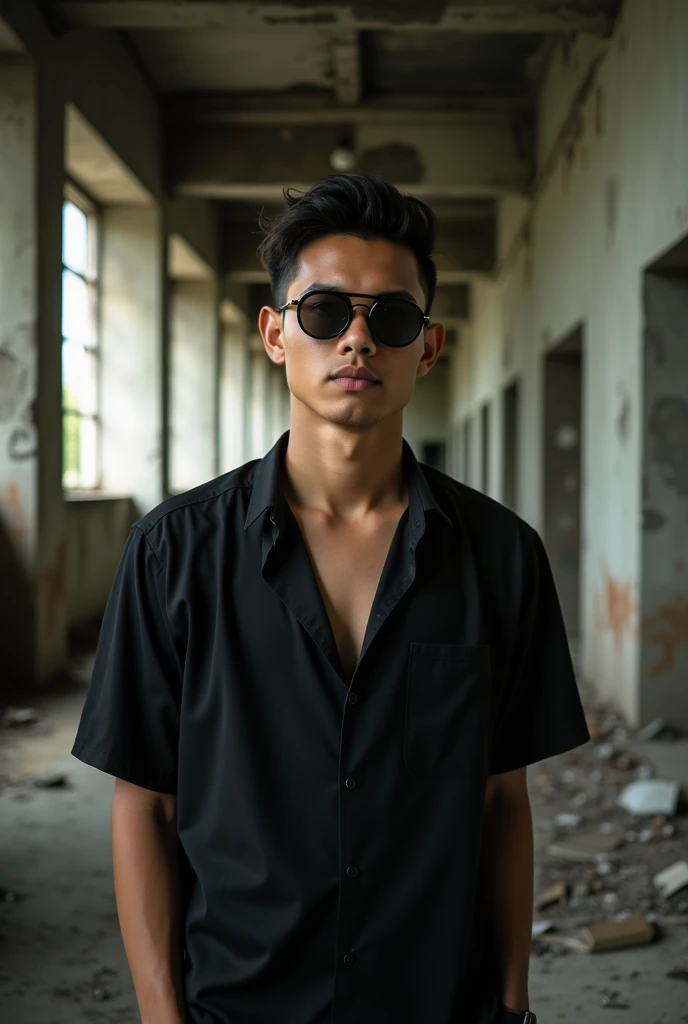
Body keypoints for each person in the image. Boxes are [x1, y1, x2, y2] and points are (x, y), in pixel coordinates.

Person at [72, 173, 589, 1024]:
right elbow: (146, 804)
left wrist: (511, 1002)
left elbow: (503, 799)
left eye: (389, 316)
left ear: (427, 346)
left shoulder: (501, 557)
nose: (357, 340)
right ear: (276, 333)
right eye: (324, 313)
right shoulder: (173, 553)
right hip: (238, 1004)